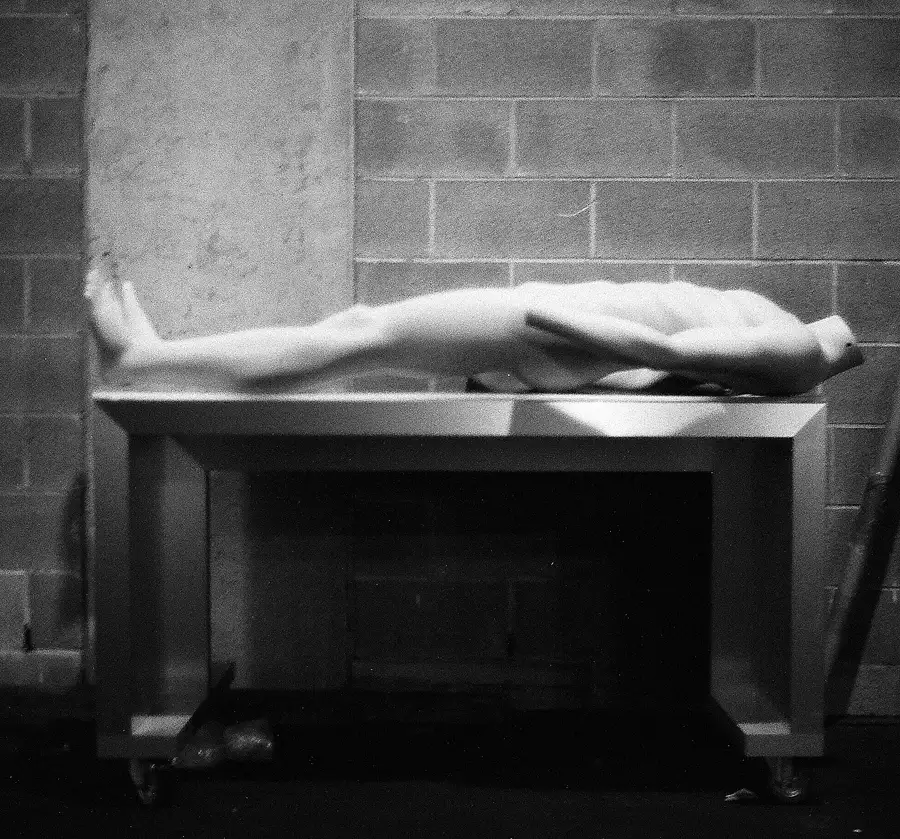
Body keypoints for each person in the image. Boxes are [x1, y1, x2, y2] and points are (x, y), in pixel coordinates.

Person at [84, 261, 863, 396]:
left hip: (556, 332)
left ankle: (143, 358)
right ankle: (152, 356)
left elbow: (665, 349)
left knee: (361, 332)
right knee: (359, 334)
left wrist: (538, 314)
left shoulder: (796, 349)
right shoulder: (791, 342)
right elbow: (669, 365)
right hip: (563, 343)